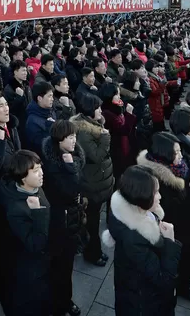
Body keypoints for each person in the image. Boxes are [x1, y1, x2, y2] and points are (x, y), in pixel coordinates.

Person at [102, 165, 181, 315]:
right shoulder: (135, 238)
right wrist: (170, 242)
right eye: (156, 192)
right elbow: (163, 280)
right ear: (142, 196)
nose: (160, 196)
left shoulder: (134, 213)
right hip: (143, 306)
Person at [137, 132, 190, 301]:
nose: (181, 156)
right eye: (176, 152)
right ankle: (181, 285)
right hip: (173, 226)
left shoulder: (176, 166)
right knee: (178, 256)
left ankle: (185, 281)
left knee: (187, 252)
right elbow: (174, 207)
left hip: (185, 222)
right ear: (165, 154)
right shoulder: (158, 178)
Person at [40, 120, 86, 316]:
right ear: (59, 141)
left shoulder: (72, 156)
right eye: (70, 137)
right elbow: (70, 190)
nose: (74, 140)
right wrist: (70, 168)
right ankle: (60, 303)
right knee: (61, 265)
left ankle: (63, 300)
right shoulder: (54, 164)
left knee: (65, 266)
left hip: (72, 215)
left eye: (75, 136)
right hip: (60, 219)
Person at [0, 149, 51, 316]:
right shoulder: (16, 209)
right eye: (35, 171)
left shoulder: (32, 188)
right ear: (22, 177)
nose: (41, 173)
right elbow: (35, 244)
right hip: (29, 271)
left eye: (40, 167)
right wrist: (38, 212)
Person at [70, 93, 114, 267]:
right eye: (97, 108)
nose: (101, 111)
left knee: (93, 220)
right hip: (90, 183)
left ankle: (94, 250)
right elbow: (96, 156)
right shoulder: (83, 131)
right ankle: (92, 252)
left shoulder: (92, 124)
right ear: (89, 110)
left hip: (97, 179)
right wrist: (105, 137)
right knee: (92, 222)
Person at [25, 82, 57, 157]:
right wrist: (51, 127)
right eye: (49, 96)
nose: (52, 99)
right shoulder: (32, 121)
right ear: (39, 98)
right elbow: (40, 146)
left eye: (52, 96)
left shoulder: (50, 111)